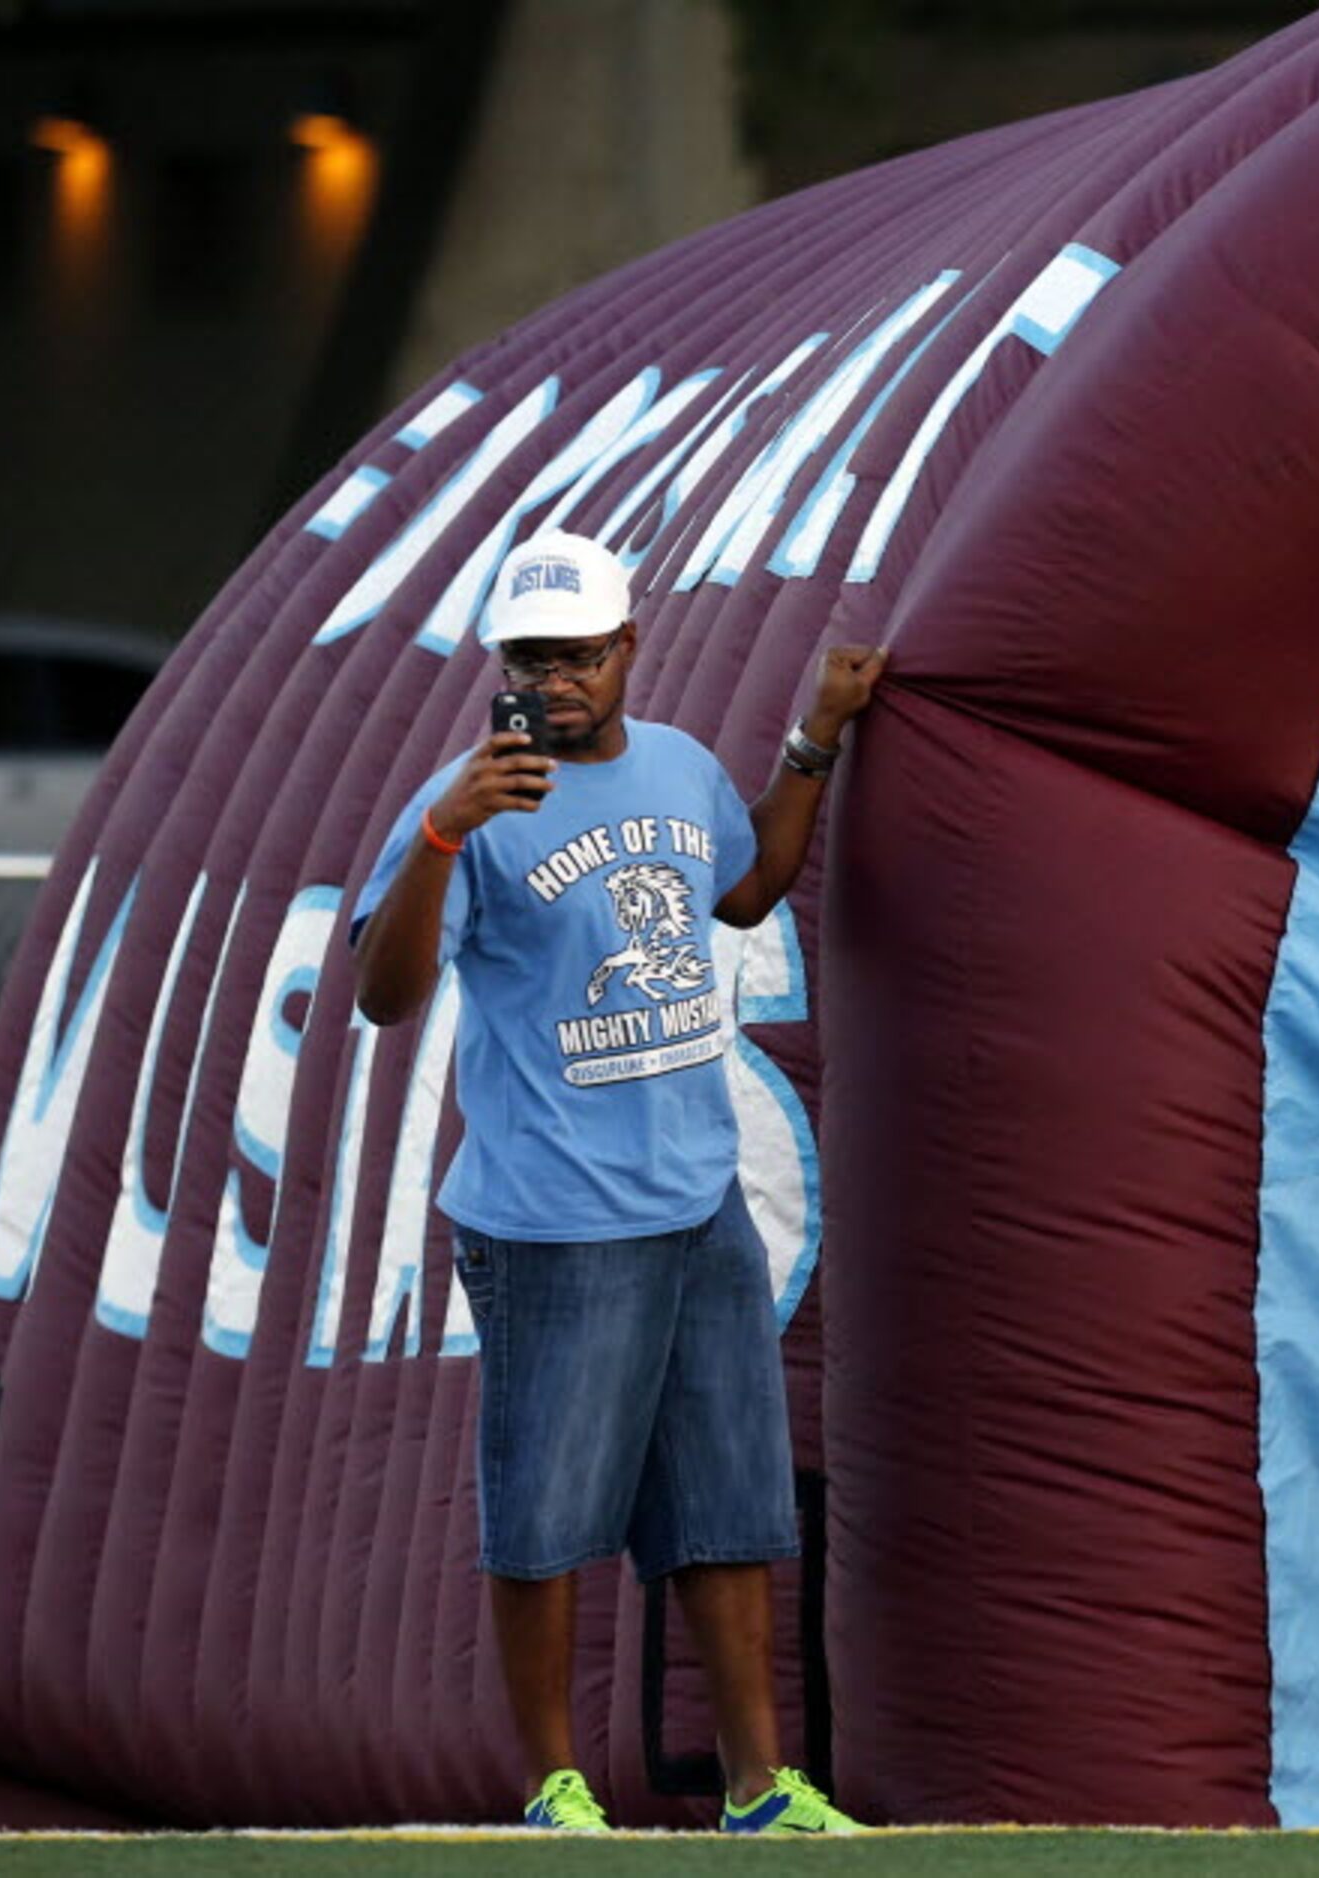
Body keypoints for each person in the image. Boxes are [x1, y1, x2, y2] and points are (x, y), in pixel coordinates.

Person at [351, 530, 884, 1834]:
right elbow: (384, 993)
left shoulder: (678, 769)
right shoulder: (470, 803)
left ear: (627, 649)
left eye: (580, 653)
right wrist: (438, 833)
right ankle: (551, 1786)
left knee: (727, 1500)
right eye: (531, 657)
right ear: (503, 664)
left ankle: (761, 1788)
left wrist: (814, 739)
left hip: (695, 1201)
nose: (557, 680)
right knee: (543, 1513)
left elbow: (748, 888)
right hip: (551, 1219)